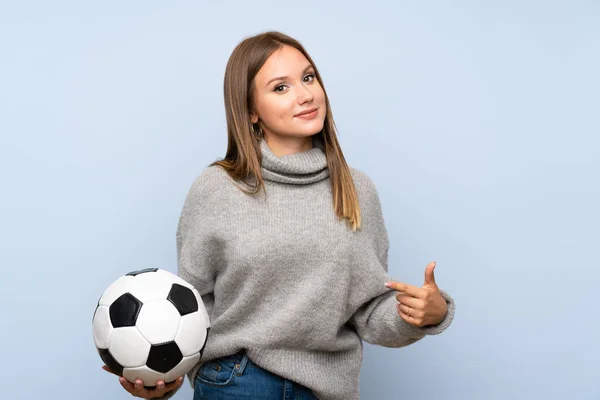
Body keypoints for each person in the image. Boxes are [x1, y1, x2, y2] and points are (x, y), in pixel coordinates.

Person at [103, 30, 456, 399]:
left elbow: (367, 311)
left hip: (328, 389)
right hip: (237, 382)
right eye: (280, 87)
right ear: (251, 110)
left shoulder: (355, 189)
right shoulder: (217, 189)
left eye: (308, 77)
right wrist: (164, 377)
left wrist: (424, 314)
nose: (305, 95)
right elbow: (192, 307)